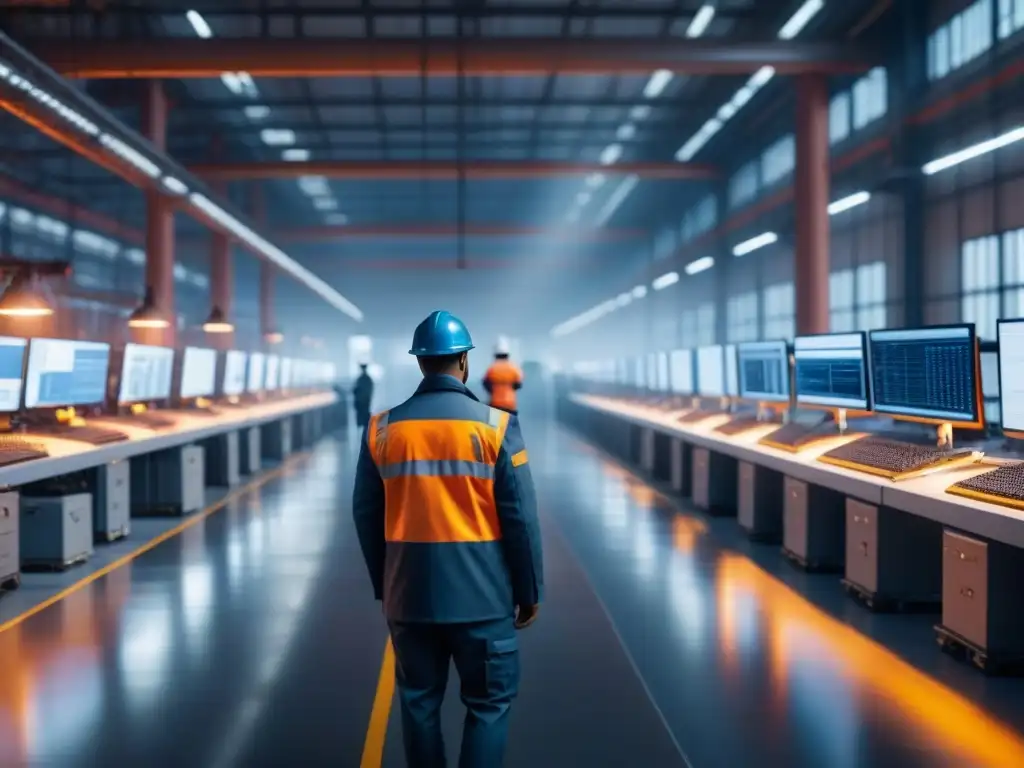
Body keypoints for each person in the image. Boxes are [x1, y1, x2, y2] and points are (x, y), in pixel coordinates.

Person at [352, 310, 544, 768]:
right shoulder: (496, 427)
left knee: (418, 706)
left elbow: (365, 515)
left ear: (421, 363)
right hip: (484, 599)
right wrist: (529, 590)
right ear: (464, 363)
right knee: (488, 706)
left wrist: (387, 585)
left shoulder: (381, 430)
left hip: (410, 598)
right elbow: (520, 518)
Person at [482, 336, 524, 414]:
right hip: (510, 405)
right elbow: (518, 385)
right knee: (510, 425)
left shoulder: (492, 369)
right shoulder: (514, 368)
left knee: (494, 425)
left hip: (495, 405)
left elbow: (485, 384)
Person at [352, 362, 374, 430]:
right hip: (363, 402)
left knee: (363, 420)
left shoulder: (363, 379)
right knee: (363, 420)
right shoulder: (366, 379)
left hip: (363, 402)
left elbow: (358, 390)